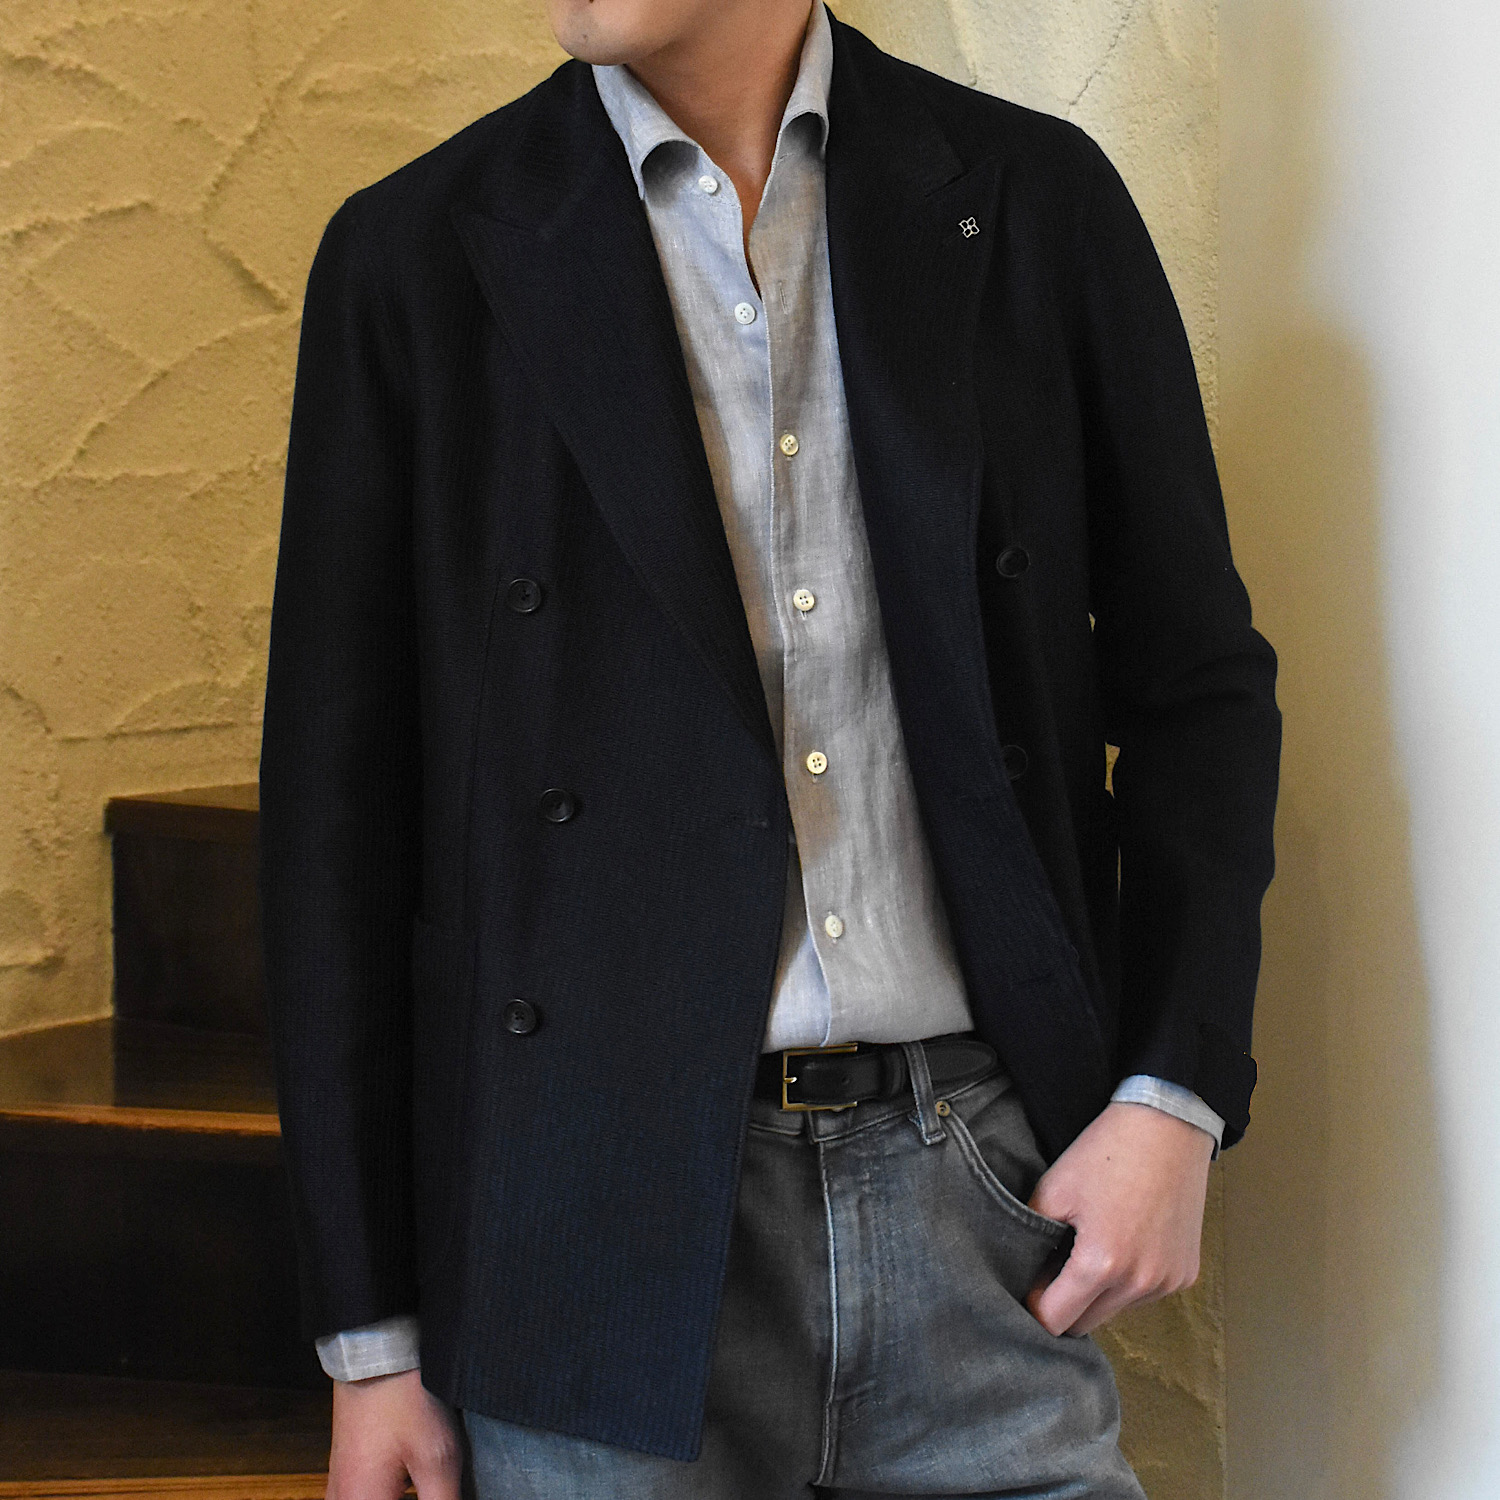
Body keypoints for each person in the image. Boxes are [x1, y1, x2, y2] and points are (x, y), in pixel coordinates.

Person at [259, 0, 1281, 1494]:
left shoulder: (1032, 201)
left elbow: (1196, 689)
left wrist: (1169, 1100)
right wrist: (372, 1342)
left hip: (978, 1193)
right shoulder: (415, 254)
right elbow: (336, 826)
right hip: (588, 1227)